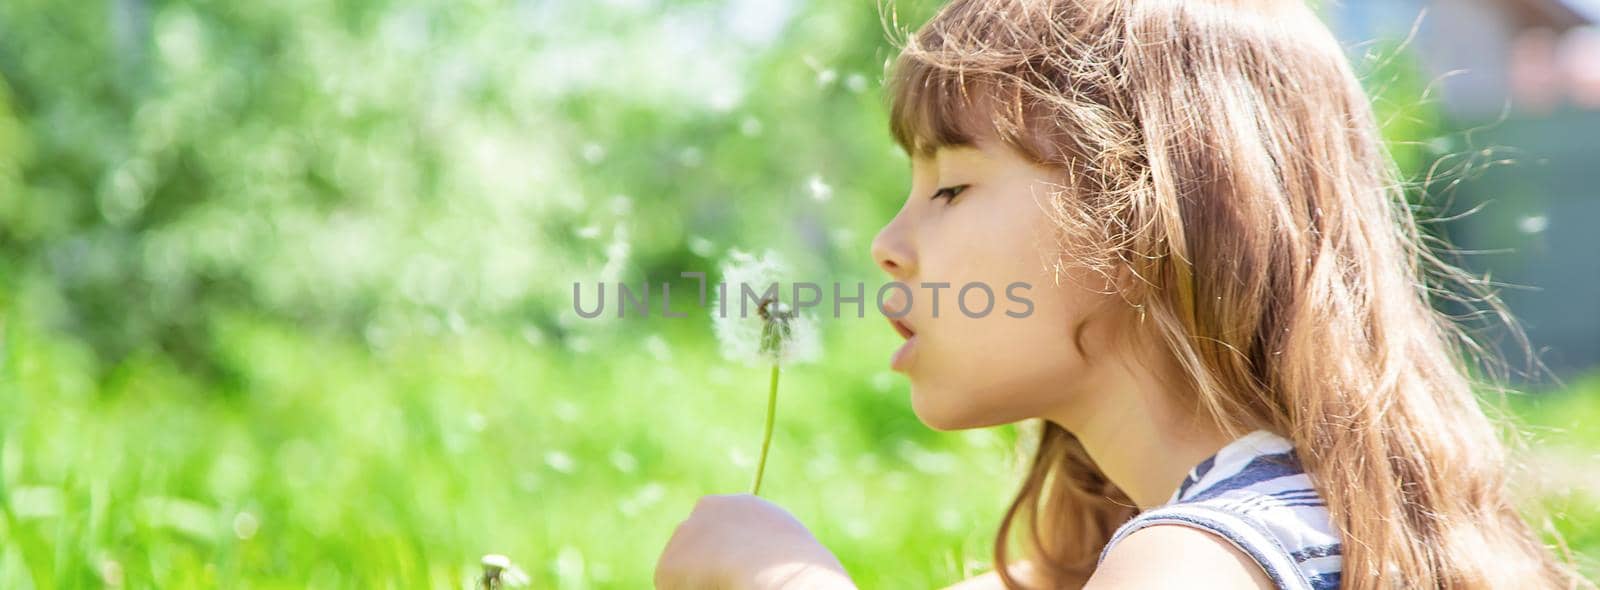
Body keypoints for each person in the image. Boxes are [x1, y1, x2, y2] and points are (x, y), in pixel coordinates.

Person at [654, 0, 1592, 587]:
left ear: (1146, 223)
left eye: (949, 186)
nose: (886, 246)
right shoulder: (1290, 523)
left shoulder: (1200, 560)